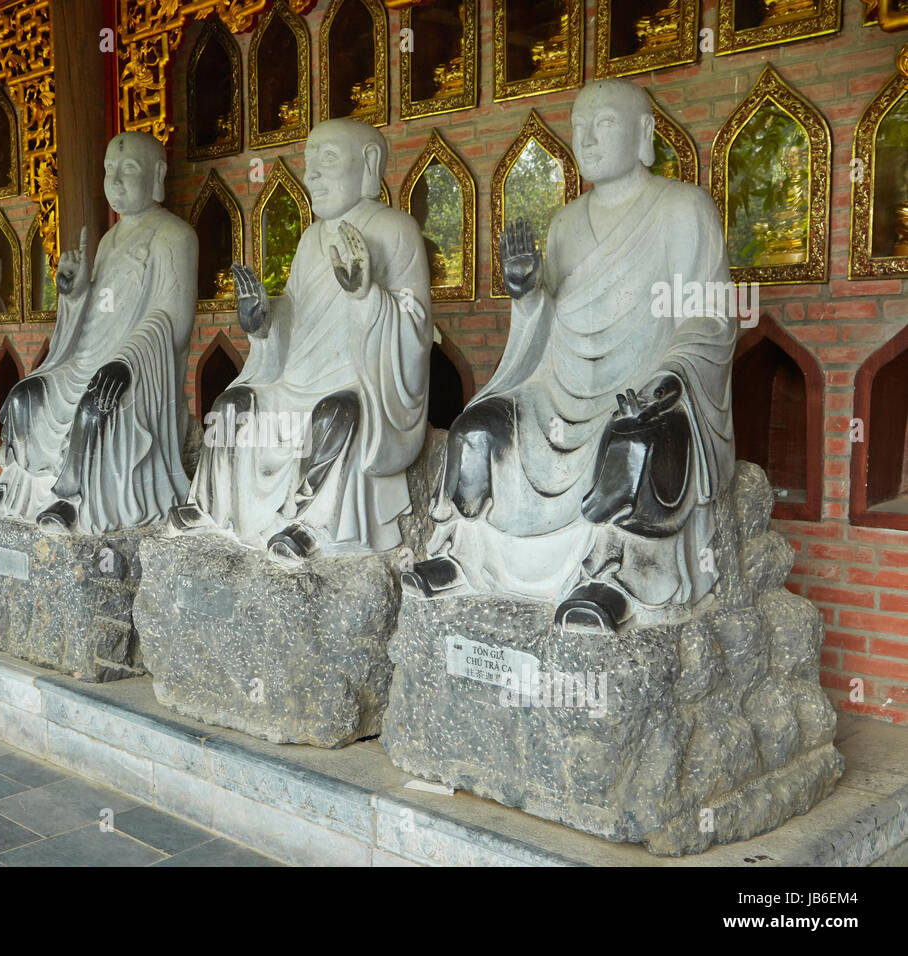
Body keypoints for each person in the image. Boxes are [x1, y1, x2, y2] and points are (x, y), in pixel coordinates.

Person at [405, 79, 736, 629]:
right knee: (477, 428)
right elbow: (545, 330)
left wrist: (669, 376)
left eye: (603, 123)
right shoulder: (565, 223)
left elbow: (711, 316)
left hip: (643, 382)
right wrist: (529, 293)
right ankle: (461, 556)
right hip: (559, 387)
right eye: (579, 127)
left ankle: (614, 577)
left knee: (634, 437)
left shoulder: (683, 208)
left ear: (645, 133)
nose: (587, 138)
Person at [171, 117, 432, 563]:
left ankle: (311, 520)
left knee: (337, 416)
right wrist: (263, 319)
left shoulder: (396, 229)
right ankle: (213, 504)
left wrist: (366, 294)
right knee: (231, 407)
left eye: (327, 160)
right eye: (309, 162)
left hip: (358, 383)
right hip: (295, 382)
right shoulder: (311, 239)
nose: (311, 175)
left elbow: (415, 323)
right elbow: (295, 311)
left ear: (369, 163)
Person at [0, 131, 197, 533]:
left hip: (139, 371)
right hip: (90, 361)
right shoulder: (109, 241)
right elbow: (98, 316)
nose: (115, 180)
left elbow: (174, 322)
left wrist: (126, 360)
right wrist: (74, 293)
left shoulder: (175, 236)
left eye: (128, 170)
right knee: (26, 397)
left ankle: (71, 500)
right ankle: (19, 491)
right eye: (110, 169)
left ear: (157, 174)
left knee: (96, 406)